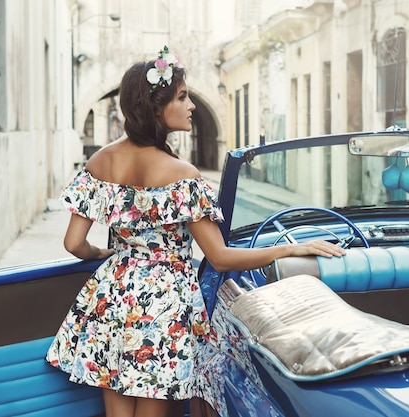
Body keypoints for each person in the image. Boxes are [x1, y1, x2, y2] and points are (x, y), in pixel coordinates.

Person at [45, 46, 345, 417]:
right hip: (163, 305)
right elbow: (219, 257)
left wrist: (106, 255)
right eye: (183, 97)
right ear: (157, 108)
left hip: (111, 296)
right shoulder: (182, 175)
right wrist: (288, 250)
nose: (192, 106)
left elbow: (73, 243)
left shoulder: (100, 160)